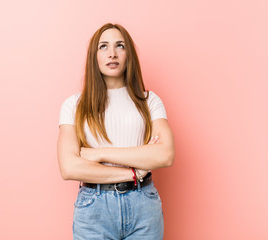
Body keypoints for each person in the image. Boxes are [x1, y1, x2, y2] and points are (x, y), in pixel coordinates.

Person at [57, 23, 175, 240]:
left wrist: (100, 153)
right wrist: (134, 172)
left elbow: (165, 155)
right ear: (94, 56)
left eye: (120, 46)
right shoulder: (74, 105)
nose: (112, 53)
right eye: (103, 46)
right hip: (94, 207)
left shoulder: (149, 101)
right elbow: (70, 167)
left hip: (143, 205)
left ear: (129, 54)